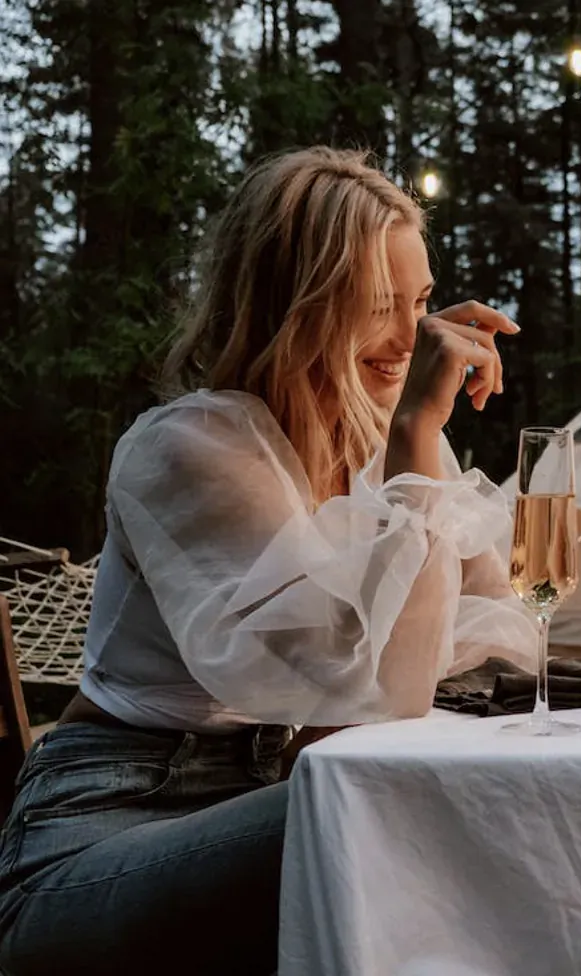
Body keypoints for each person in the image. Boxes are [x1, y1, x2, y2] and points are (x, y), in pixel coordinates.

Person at [0, 148, 538, 976]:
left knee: (467, 811)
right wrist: (415, 446)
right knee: (391, 819)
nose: (411, 338)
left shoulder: (376, 451)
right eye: (378, 305)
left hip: (268, 798)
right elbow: (360, 678)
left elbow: (498, 631)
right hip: (101, 829)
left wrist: (406, 456)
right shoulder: (187, 446)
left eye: (423, 302)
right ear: (300, 304)